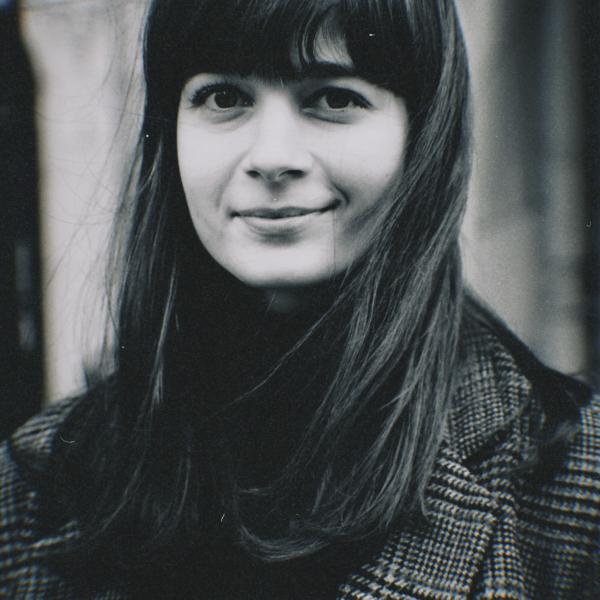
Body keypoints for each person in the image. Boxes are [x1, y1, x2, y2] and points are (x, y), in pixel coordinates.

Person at [1, 0, 598, 597]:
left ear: (425, 135)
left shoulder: (573, 486)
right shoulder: (38, 486)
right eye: (224, 97)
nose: (272, 158)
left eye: (334, 98)